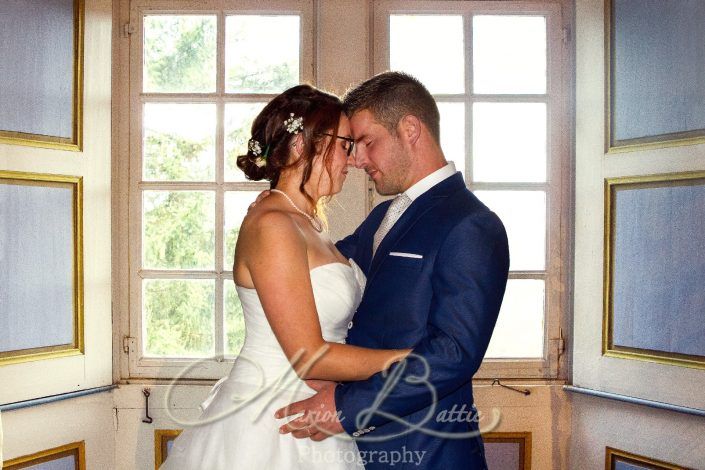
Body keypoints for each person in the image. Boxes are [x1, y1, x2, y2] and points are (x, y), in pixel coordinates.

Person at [159, 84, 410, 469]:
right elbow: (310, 356)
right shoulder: (275, 224)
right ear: (299, 146)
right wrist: (410, 359)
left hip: (314, 408)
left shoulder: (306, 224)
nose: (355, 159)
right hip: (272, 419)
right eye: (345, 144)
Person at [274, 72, 510, 469]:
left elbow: (453, 354)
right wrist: (276, 211)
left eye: (366, 142)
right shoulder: (385, 215)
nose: (356, 159)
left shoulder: (472, 225)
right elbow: (319, 272)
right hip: (355, 453)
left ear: (410, 129)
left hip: (425, 453)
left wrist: (346, 408)